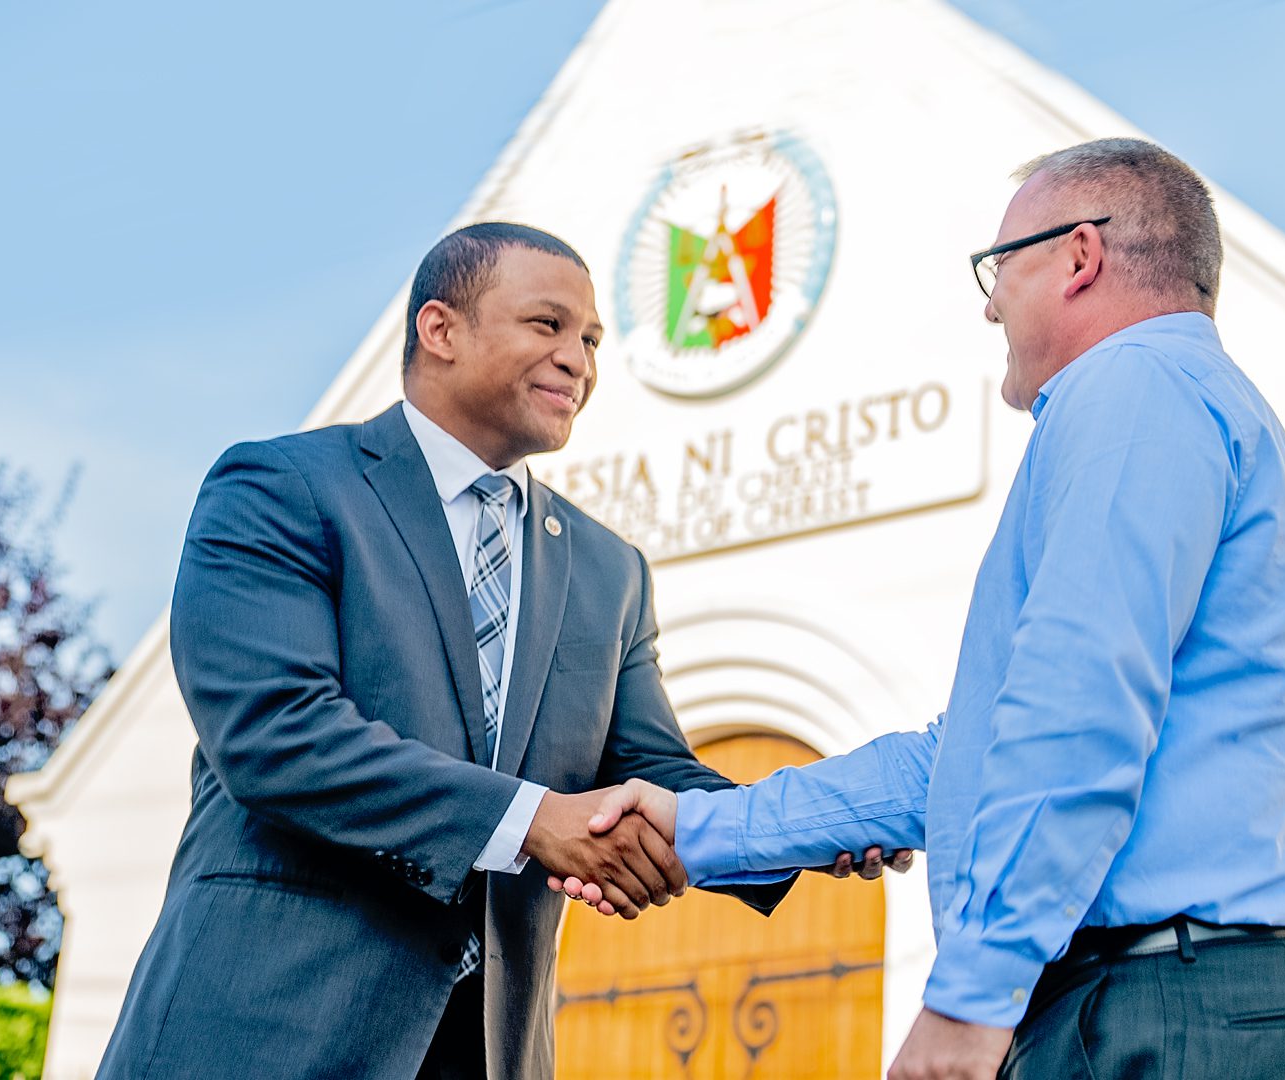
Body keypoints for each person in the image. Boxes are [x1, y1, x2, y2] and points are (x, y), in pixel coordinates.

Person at [568, 139, 1285, 1079]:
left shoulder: (1132, 388)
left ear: (1079, 256)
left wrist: (971, 998)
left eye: (999, 267)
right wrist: (697, 828)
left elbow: (1077, 709)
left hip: (1163, 1008)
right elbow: (971, 753)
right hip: (1171, 1000)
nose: (989, 303)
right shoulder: (1164, 403)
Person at [95, 223, 810, 1080]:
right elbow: (276, 733)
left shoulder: (610, 571)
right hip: (263, 1032)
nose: (578, 360)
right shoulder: (282, 489)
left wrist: (808, 825)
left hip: (487, 1053)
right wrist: (534, 822)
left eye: (589, 340)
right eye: (548, 326)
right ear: (441, 330)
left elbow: (650, 767)